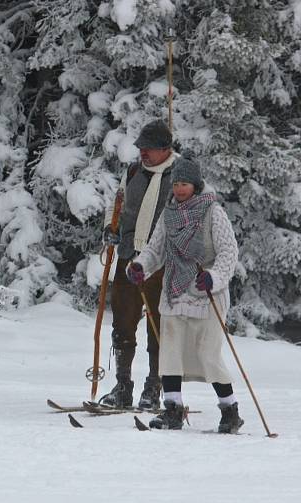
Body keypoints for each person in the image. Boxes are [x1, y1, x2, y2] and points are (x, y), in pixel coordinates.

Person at [127, 158, 243, 433]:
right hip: (174, 292)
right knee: (170, 353)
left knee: (208, 354)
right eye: (176, 184)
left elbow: (229, 252)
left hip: (206, 294)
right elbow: (156, 249)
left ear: (196, 185)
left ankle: (230, 412)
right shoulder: (168, 214)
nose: (179, 189)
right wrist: (141, 265)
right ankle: (172, 411)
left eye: (185, 184)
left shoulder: (213, 213)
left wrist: (214, 278)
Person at [100, 119, 178, 409]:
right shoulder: (133, 171)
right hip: (128, 257)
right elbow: (117, 203)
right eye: (141, 148)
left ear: (165, 149)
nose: (143, 153)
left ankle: (153, 388)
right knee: (122, 322)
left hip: (161, 263)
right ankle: (123, 386)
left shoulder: (179, 175)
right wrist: (111, 226)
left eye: (149, 149)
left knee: (158, 327)